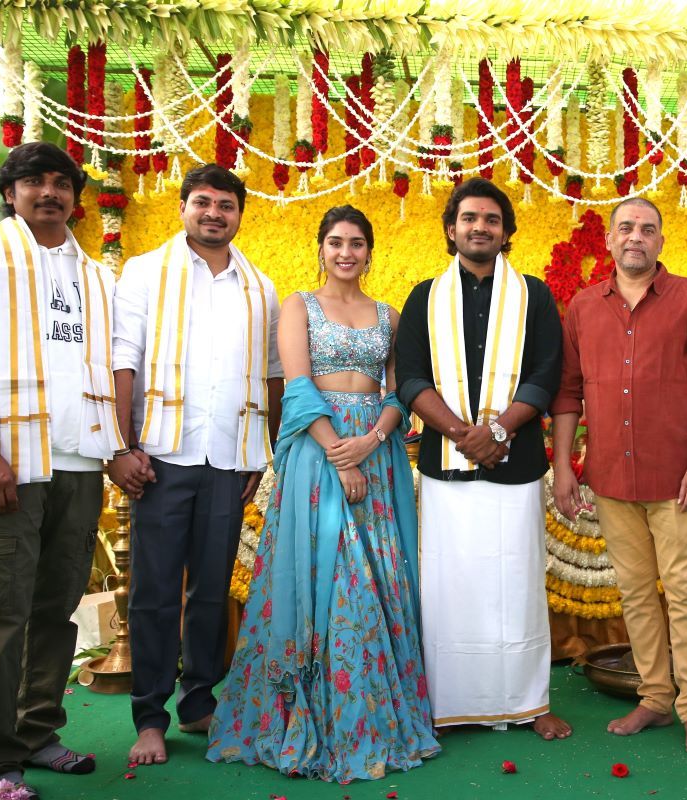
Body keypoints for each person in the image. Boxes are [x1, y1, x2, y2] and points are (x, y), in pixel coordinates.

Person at [205, 206, 438, 780]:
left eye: (356, 243)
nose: (346, 252)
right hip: (319, 450)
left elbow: (398, 391)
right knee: (335, 577)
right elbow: (298, 386)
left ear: (369, 252)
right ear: (321, 249)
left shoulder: (387, 314)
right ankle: (317, 717)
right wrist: (341, 453)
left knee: (379, 575)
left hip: (377, 453)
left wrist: (372, 441)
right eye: (336, 242)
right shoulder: (299, 306)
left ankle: (375, 717)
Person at [0, 141, 124, 798]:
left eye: (62, 183)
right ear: (10, 193)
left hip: (79, 465)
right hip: (8, 466)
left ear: (76, 197)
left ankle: (38, 732)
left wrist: (118, 448)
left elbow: (110, 368)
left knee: (55, 609)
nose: (50, 192)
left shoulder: (97, 277)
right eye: (35, 181)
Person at [111, 164, 284, 765]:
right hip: (161, 454)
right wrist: (122, 445)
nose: (214, 213)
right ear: (182, 207)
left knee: (212, 590)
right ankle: (150, 718)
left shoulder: (259, 287)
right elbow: (123, 359)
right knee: (156, 592)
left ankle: (198, 702)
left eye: (226, 205)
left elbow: (272, 375)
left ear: (240, 215)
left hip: (230, 458)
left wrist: (262, 450)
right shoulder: (145, 272)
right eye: (203, 202)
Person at [552, 197, 687, 755]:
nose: (636, 236)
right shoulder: (584, 306)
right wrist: (562, 465)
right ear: (610, 239)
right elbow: (568, 392)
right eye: (626, 227)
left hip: (677, 478)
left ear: (660, 241)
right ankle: (655, 698)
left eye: (647, 229)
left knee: (684, 594)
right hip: (611, 478)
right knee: (634, 593)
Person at [395, 178, 570, 739]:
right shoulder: (424, 297)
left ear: (506, 232)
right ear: (452, 229)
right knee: (450, 586)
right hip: (446, 465)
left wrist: (497, 429)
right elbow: (411, 378)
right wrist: (462, 434)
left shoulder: (533, 295)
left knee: (517, 582)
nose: (480, 227)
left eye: (492, 220)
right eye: (469, 218)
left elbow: (546, 372)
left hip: (515, 464)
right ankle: (449, 702)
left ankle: (529, 703)